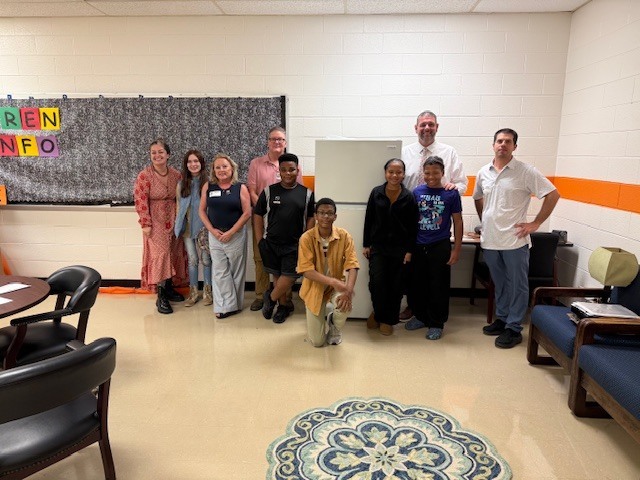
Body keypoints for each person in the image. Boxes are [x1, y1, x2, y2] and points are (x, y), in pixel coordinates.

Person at [473, 128, 560, 349]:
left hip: (515, 240)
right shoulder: (484, 172)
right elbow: (478, 197)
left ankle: (514, 327)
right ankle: (502, 319)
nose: (503, 144)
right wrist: (486, 219)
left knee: (518, 285)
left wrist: (536, 223)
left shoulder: (525, 171)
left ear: (514, 147)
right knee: (500, 283)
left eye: (508, 141)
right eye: (499, 141)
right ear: (493, 145)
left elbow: (553, 194)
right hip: (490, 240)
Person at [400, 110, 467, 322]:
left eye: (431, 124)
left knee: (437, 279)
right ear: (416, 128)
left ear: (437, 127)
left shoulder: (449, 152)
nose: (426, 128)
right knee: (414, 274)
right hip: (412, 227)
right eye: (423, 125)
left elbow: (462, 184)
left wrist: (452, 185)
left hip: (438, 232)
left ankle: (435, 317)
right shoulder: (405, 152)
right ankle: (414, 309)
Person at [253, 153, 315, 324]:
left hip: (295, 245)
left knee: (290, 276)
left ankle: (270, 298)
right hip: (271, 243)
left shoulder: (307, 194)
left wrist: (306, 240)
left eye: (292, 170)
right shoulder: (269, 191)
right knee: (277, 277)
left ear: (298, 170)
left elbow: (311, 217)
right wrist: (260, 240)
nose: (288, 173)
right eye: (284, 170)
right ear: (279, 171)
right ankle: (283, 306)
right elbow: (258, 215)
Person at [247, 127, 302, 312]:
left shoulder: (292, 164)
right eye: (273, 139)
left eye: (280, 139)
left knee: (286, 261)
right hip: (261, 218)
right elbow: (252, 191)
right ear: (268, 142)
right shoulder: (256, 163)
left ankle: (283, 298)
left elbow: (297, 191)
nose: (277, 142)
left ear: (285, 142)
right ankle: (260, 296)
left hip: (285, 223)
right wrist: (267, 209)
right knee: (260, 257)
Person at [408, 156, 463, 340]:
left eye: (435, 173)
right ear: (423, 173)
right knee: (418, 284)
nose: (431, 176)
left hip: (440, 245)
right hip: (418, 246)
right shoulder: (417, 192)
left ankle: (436, 323)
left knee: (438, 286)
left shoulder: (451, 193)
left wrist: (456, 249)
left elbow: (458, 220)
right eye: (427, 173)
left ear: (442, 173)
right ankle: (421, 317)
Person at [363, 159, 417, 336]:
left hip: (400, 250)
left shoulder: (408, 196)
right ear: (385, 172)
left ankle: (388, 319)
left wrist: (409, 250)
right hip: (378, 247)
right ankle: (379, 313)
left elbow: (412, 226)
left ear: (403, 174)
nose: (395, 175)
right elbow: (369, 219)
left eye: (399, 172)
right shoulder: (376, 193)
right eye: (391, 172)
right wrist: (366, 244)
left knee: (396, 286)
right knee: (377, 283)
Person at [133, 138, 188, 314]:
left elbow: (182, 197)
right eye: (153, 153)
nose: (157, 155)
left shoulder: (176, 175)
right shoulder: (145, 175)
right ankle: (161, 295)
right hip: (154, 220)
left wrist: (181, 219)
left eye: (160, 152)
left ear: (168, 154)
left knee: (173, 252)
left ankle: (170, 287)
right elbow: (140, 200)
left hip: (173, 217)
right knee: (160, 255)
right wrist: (145, 222)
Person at [297, 198, 359, 347]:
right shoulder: (306, 238)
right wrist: (333, 281)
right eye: (322, 213)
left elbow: (353, 265)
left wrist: (348, 291)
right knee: (317, 342)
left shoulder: (344, 236)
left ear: (335, 216)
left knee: (344, 305)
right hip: (314, 289)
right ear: (316, 216)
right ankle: (319, 324)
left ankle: (334, 326)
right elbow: (306, 271)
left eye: (330, 213)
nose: (325, 216)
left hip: (334, 289)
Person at [199, 153, 251, 319]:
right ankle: (223, 306)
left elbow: (247, 212)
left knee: (236, 271)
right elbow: (201, 210)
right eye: (218, 167)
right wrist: (212, 231)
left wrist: (231, 232)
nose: (221, 170)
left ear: (232, 168)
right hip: (215, 235)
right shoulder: (208, 186)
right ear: (213, 170)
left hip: (235, 235)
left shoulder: (240, 187)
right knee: (220, 272)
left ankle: (235, 306)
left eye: (225, 166)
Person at [175, 149, 212, 307]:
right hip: (188, 228)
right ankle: (193, 293)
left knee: (206, 259)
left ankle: (208, 292)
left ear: (201, 163)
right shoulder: (182, 184)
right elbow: (179, 206)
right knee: (193, 260)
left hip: (204, 228)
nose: (193, 164)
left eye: (196, 161)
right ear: (186, 165)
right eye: (190, 162)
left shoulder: (209, 183)